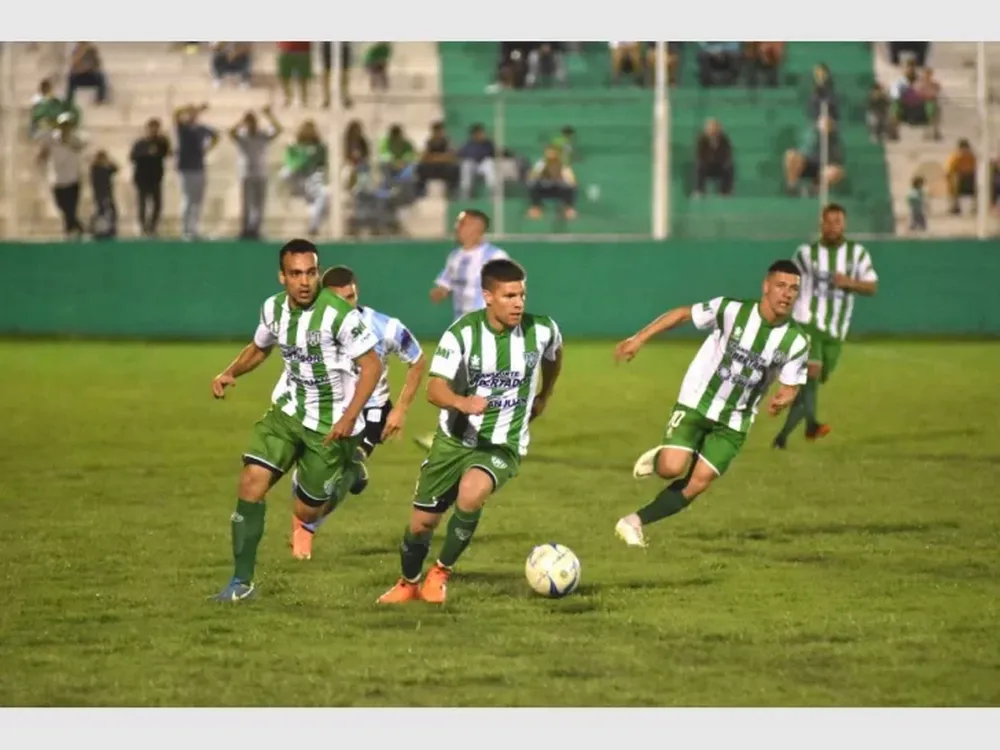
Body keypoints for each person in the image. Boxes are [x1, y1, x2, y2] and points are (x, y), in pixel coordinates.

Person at [378, 258, 564, 604]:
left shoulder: (542, 330)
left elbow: (555, 355)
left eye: (522, 294)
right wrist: (463, 403)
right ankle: (408, 583)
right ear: (487, 297)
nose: (519, 303)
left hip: (502, 443)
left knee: (471, 492)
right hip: (452, 441)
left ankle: (441, 572)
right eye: (509, 296)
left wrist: (544, 394)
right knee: (420, 525)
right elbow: (434, 390)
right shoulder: (462, 333)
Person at [209, 238, 383, 602]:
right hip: (286, 412)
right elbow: (260, 347)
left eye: (311, 272)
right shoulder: (273, 309)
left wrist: (350, 418)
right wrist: (230, 373)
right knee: (251, 483)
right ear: (282, 277)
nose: (305, 281)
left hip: (331, 425)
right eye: (295, 274)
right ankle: (241, 583)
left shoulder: (338, 313)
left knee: (306, 510)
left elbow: (372, 365)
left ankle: (351, 471)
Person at [613, 260, 810, 548]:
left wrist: (786, 397)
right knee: (671, 468)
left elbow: (792, 384)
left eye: (793, 289)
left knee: (698, 483)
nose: (787, 294)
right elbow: (682, 314)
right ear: (766, 286)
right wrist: (639, 338)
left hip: (736, 419)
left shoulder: (796, 342)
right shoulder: (731, 310)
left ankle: (632, 523)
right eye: (781, 285)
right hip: (698, 399)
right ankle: (660, 458)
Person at [290, 264, 427, 561]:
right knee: (314, 476)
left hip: (371, 413)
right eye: (340, 300)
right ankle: (325, 494)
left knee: (338, 475)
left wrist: (401, 409)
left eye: (351, 297)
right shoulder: (310, 325)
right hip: (325, 408)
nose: (348, 306)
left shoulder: (384, 326)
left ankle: (307, 529)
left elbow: (417, 360)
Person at [773, 203, 879, 448]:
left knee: (809, 385)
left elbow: (872, 287)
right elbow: (787, 281)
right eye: (828, 222)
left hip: (835, 330)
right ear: (820, 224)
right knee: (811, 372)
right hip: (807, 321)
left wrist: (849, 282)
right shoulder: (805, 254)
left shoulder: (857, 254)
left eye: (837, 222)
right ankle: (812, 425)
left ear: (844, 224)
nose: (832, 227)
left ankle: (784, 437)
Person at [413, 209, 509, 451]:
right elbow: (444, 285)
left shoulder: (495, 256)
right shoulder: (455, 257)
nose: (457, 228)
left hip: (484, 328)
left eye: (462, 224)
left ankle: (454, 436)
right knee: (458, 382)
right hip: (460, 329)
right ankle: (465, 435)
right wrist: (439, 292)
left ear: (477, 228)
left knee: (462, 381)